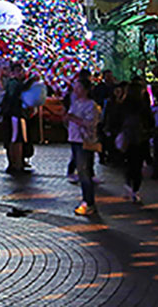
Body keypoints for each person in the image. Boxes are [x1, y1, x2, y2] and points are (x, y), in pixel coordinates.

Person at [65, 71, 101, 218]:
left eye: (79, 87)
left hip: (84, 141)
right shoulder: (76, 103)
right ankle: (87, 200)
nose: (76, 90)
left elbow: (91, 123)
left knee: (84, 172)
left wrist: (74, 119)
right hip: (74, 139)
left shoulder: (91, 105)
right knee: (81, 171)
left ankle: (89, 202)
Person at [117, 81, 153, 203]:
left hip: (126, 137)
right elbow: (150, 121)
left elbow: (116, 120)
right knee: (138, 164)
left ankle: (128, 184)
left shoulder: (123, 105)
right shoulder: (143, 106)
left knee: (128, 162)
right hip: (140, 138)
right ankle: (135, 190)